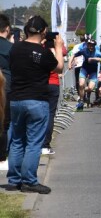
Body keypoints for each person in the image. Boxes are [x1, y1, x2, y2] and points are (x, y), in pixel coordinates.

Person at [7, 15, 64, 194]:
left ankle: (14, 179)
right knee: (33, 142)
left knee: (17, 140)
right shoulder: (43, 53)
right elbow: (59, 68)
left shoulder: (15, 48)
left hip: (16, 99)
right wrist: (57, 47)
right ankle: (30, 181)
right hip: (37, 100)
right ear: (43, 32)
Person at [0, 14, 12, 171]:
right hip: (6, 88)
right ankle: (2, 157)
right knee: (3, 124)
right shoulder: (11, 48)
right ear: (7, 29)